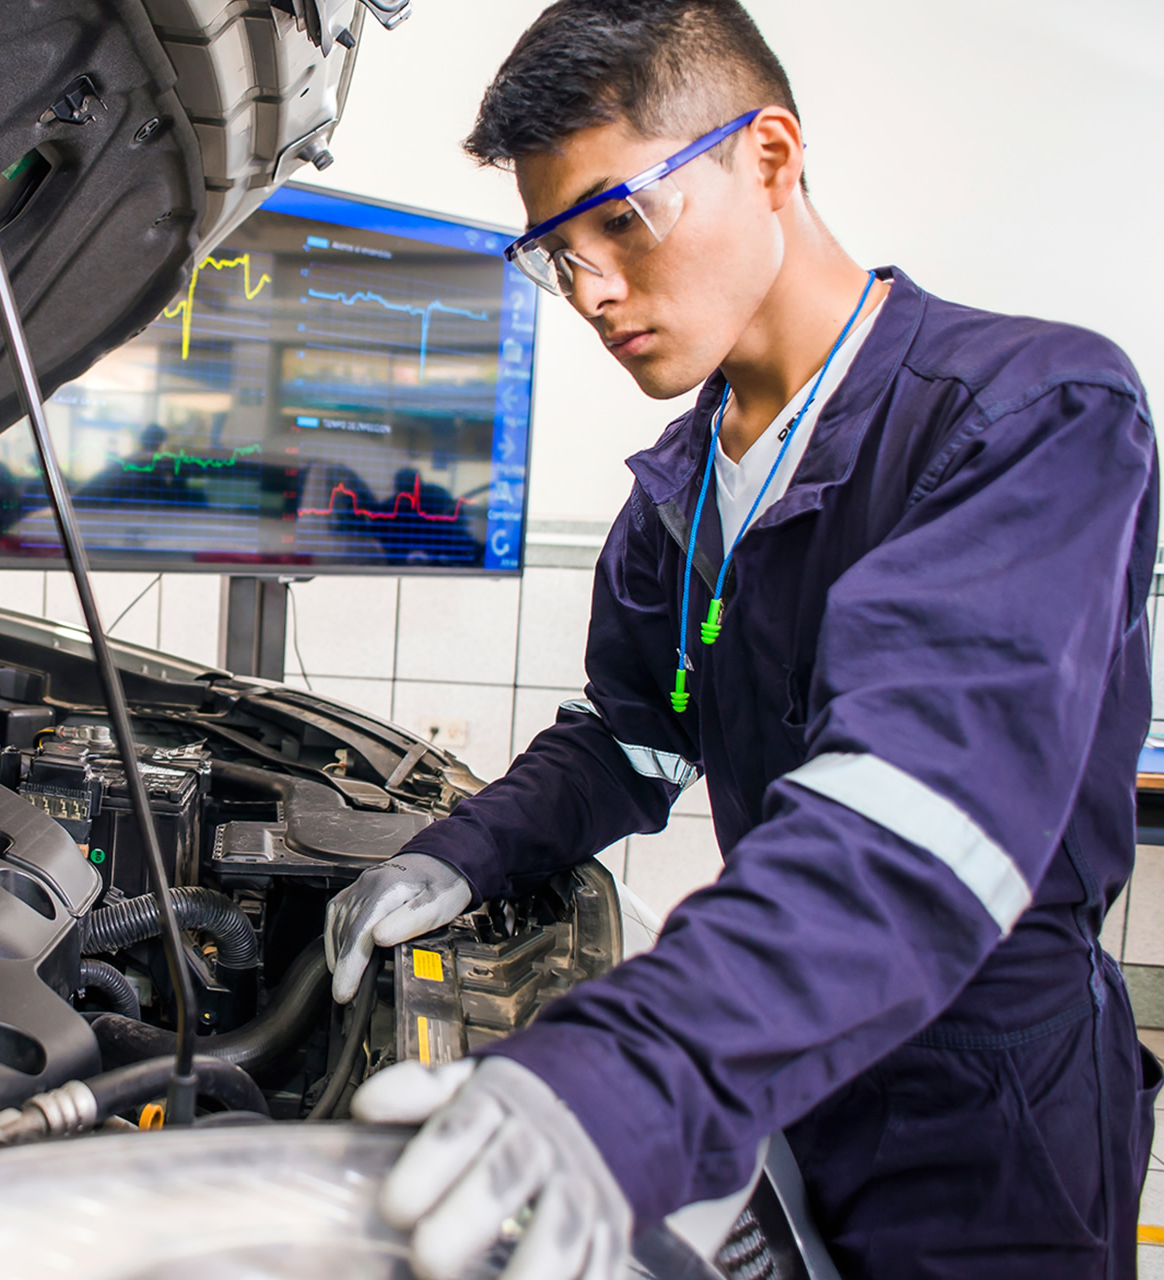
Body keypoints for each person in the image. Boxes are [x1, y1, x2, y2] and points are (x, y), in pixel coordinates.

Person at [322, 2, 1160, 1277]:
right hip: (781, 1054)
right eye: (556, 254)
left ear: (769, 158)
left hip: (988, 1109)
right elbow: (631, 743)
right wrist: (455, 854)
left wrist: (635, 1068)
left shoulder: (1029, 417)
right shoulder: (677, 489)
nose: (593, 291)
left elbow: (921, 815)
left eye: (620, 219)